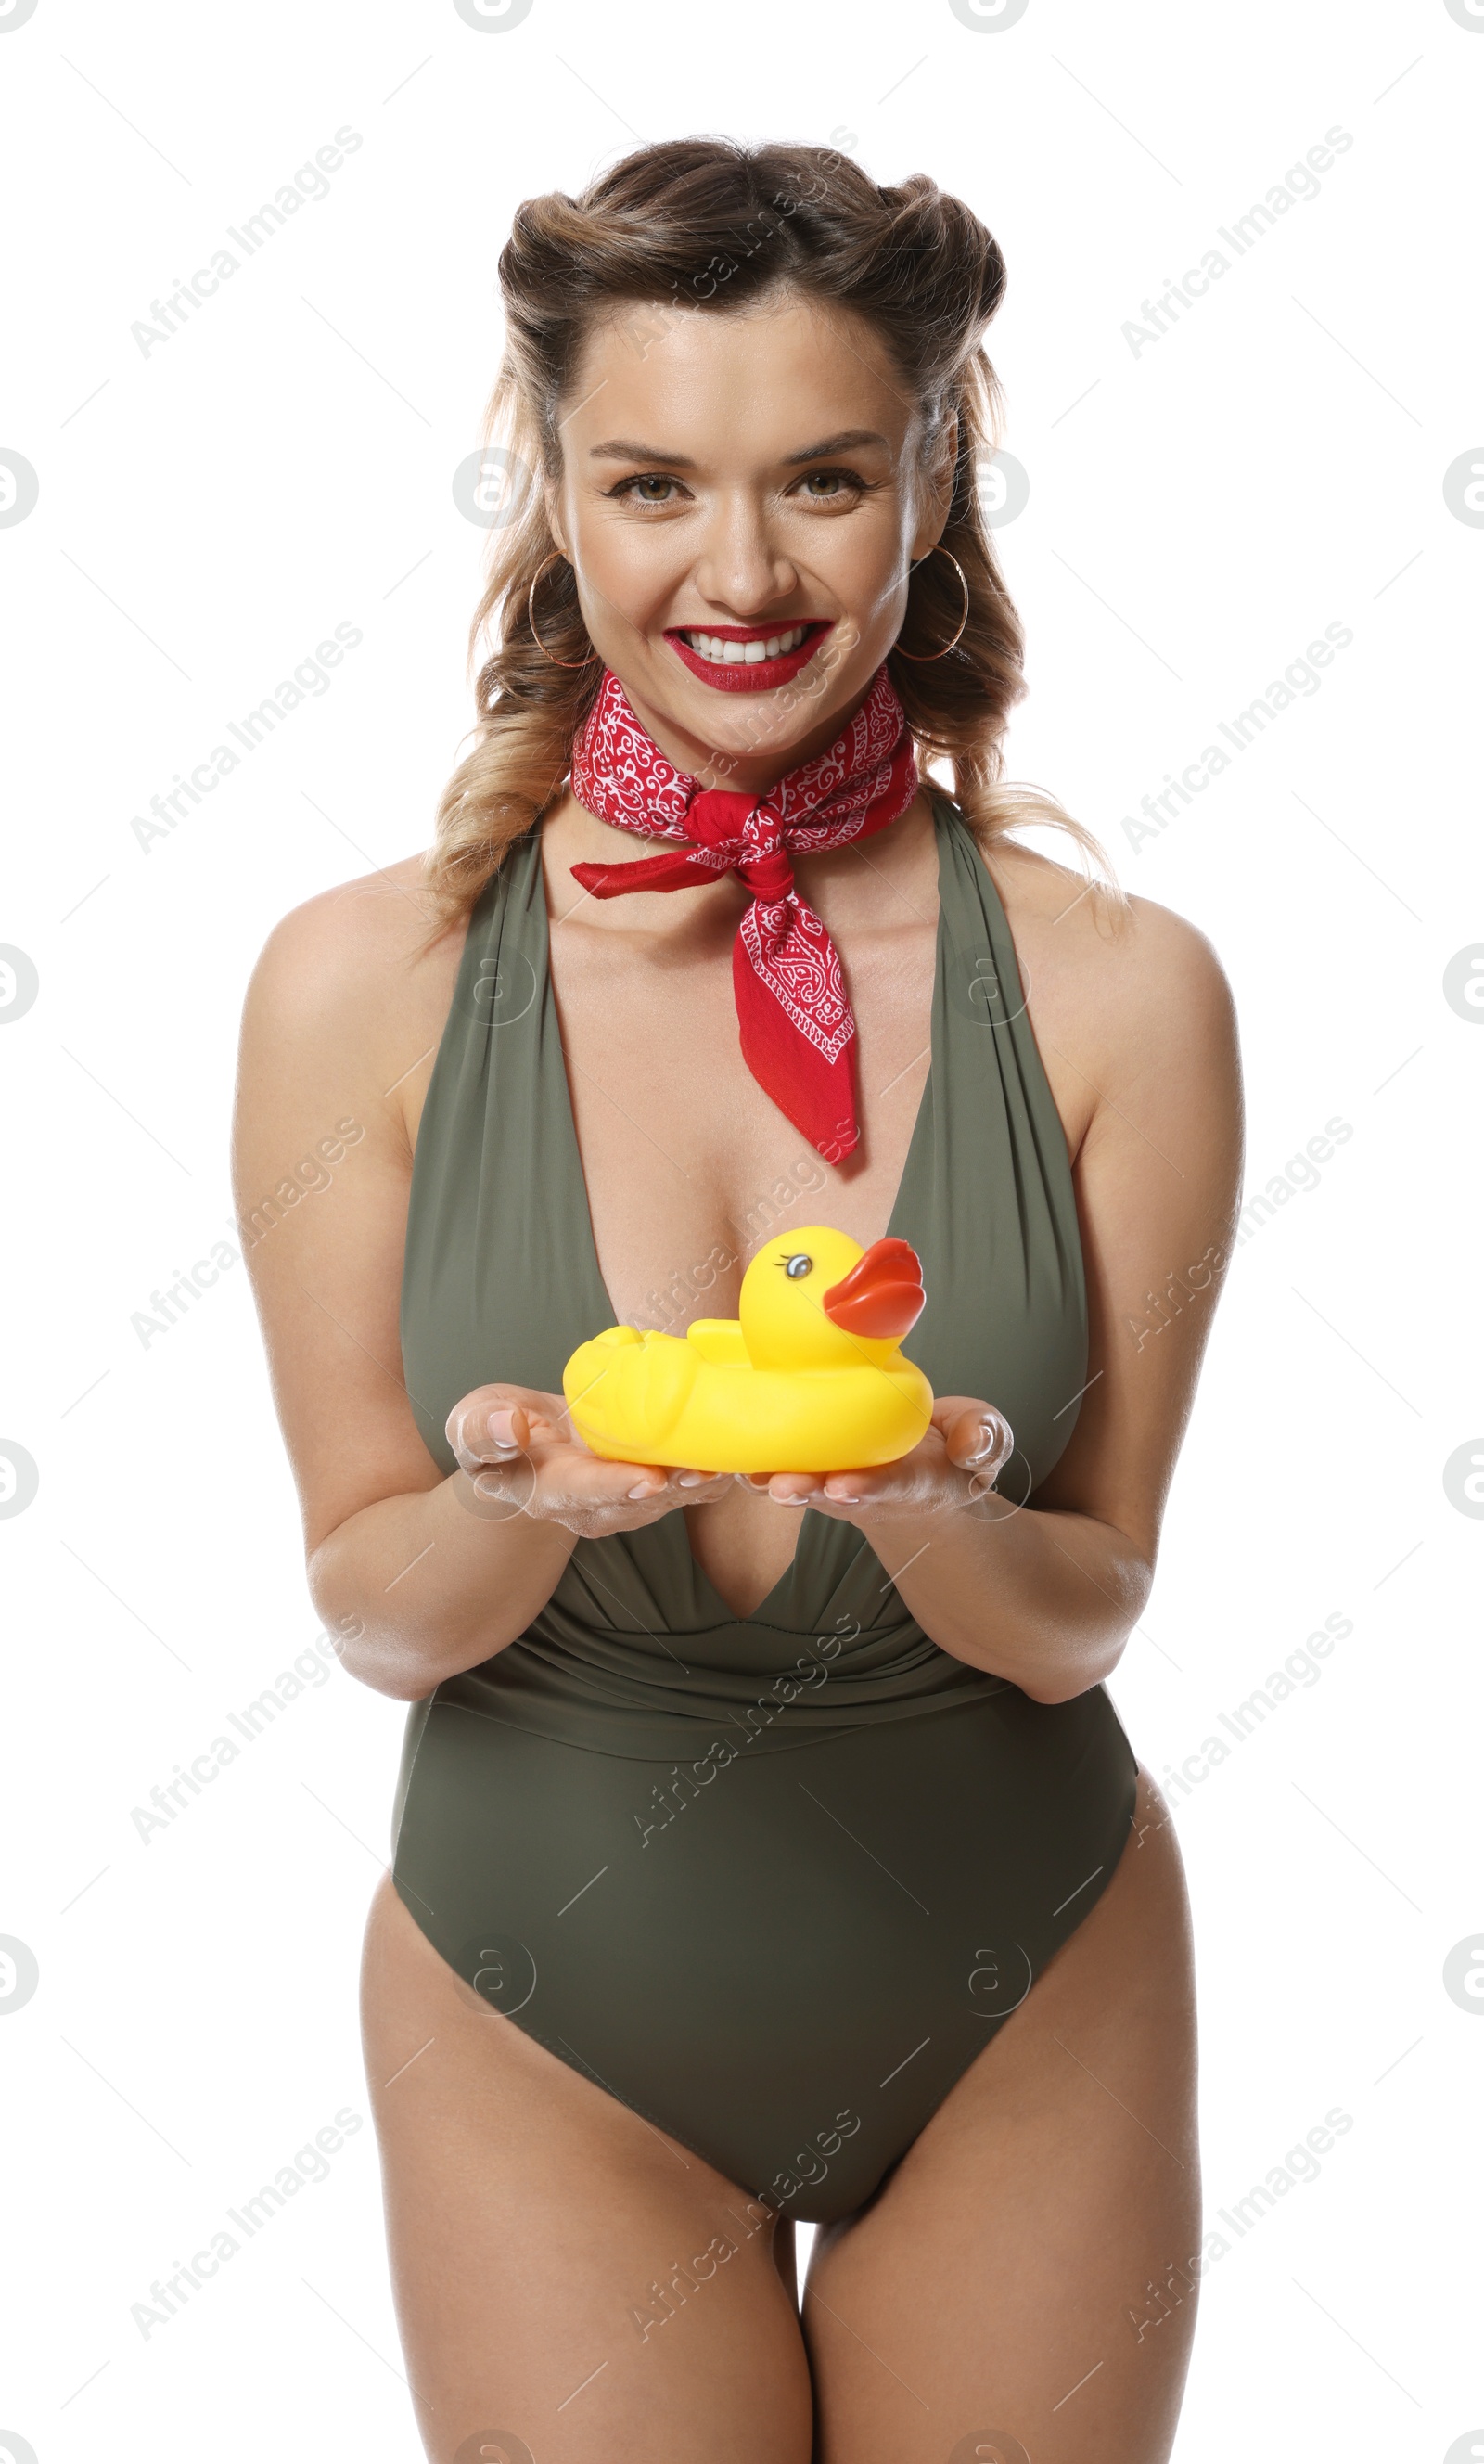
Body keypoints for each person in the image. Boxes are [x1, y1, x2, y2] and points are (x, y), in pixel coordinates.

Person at [234, 137, 1242, 2464]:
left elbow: (1078, 1608)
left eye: (819, 477)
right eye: (651, 481)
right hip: (538, 2000)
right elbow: (377, 1605)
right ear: (554, 488)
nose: (741, 570)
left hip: (1025, 1982)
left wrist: (922, 1496)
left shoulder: (1119, 995)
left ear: (928, 477)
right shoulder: (351, 987)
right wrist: (522, 1501)